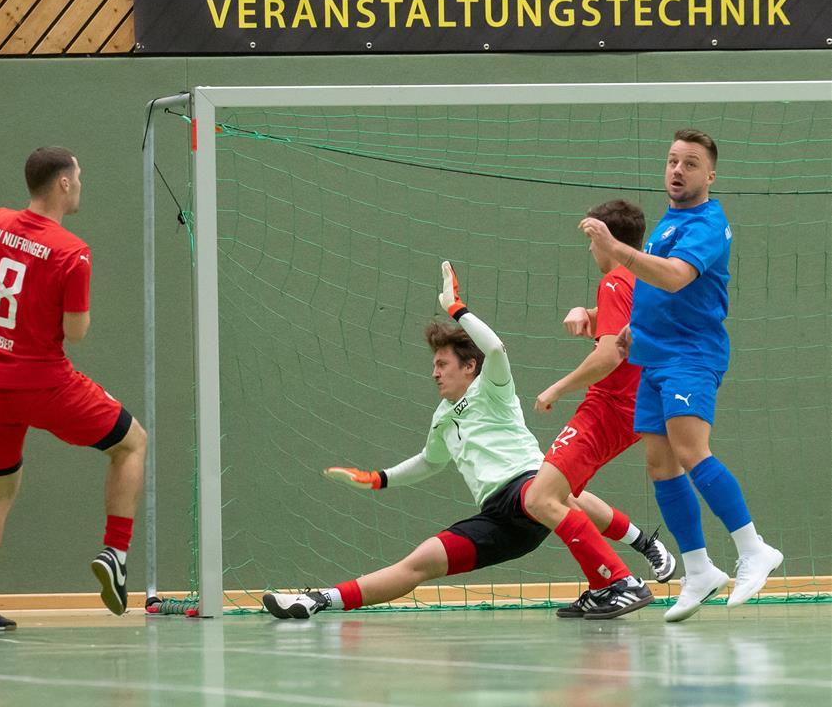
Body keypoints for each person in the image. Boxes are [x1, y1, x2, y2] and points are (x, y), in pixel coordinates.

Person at [262, 262, 664, 621]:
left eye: (443, 364)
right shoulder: (441, 419)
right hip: (498, 519)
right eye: (434, 365)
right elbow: (428, 461)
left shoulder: (493, 388)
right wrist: (379, 479)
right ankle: (318, 601)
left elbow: (495, 348)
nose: (435, 373)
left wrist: (457, 307)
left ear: (469, 367)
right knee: (419, 563)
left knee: (555, 494)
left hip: (524, 487)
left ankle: (623, 573)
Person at [0, 147, 146, 631]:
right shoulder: (72, 252)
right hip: (45, 383)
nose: (82, 183)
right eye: (79, 176)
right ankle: (116, 554)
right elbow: (77, 332)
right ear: (63, 183)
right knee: (132, 443)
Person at [580, 129, 783, 622]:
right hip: (654, 353)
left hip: (691, 356)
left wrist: (617, 248)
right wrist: (628, 328)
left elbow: (673, 277)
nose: (677, 170)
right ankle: (698, 570)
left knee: (692, 453)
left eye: (690, 164)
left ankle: (754, 549)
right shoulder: (672, 220)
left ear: (709, 175)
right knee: (661, 465)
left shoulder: (709, 223)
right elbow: (659, 293)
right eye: (672, 161)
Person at [526, 199, 675, 617]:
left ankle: (618, 581)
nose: (590, 252)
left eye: (591, 243)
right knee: (561, 495)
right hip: (635, 407)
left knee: (539, 498)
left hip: (609, 406)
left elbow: (610, 355)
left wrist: (557, 387)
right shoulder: (642, 278)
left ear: (603, 239)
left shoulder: (613, 280)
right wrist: (586, 314)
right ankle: (610, 578)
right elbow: (624, 326)